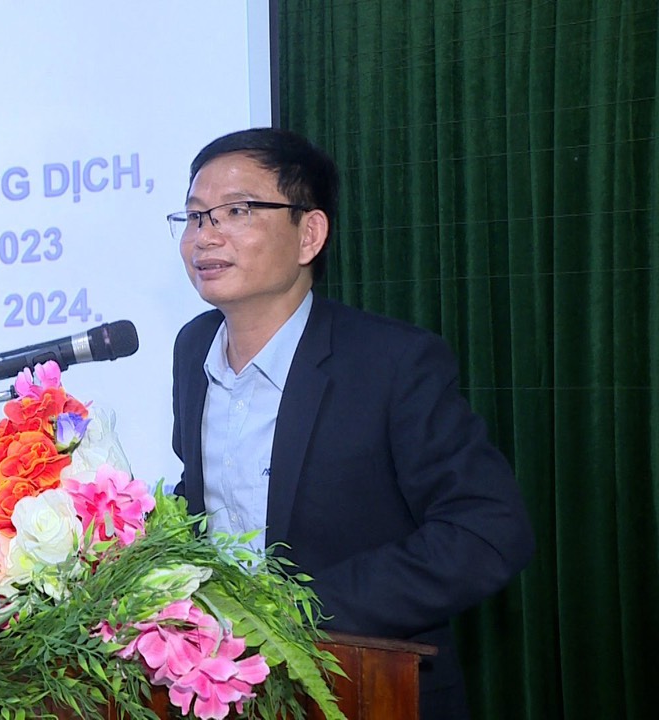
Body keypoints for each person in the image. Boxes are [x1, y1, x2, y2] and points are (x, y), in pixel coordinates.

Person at [169, 127, 534, 720]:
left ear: (309, 234)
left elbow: (487, 531)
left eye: (236, 211)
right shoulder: (193, 350)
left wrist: (297, 611)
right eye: (194, 216)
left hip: (367, 688)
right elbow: (208, 494)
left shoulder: (393, 362)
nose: (205, 236)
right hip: (223, 690)